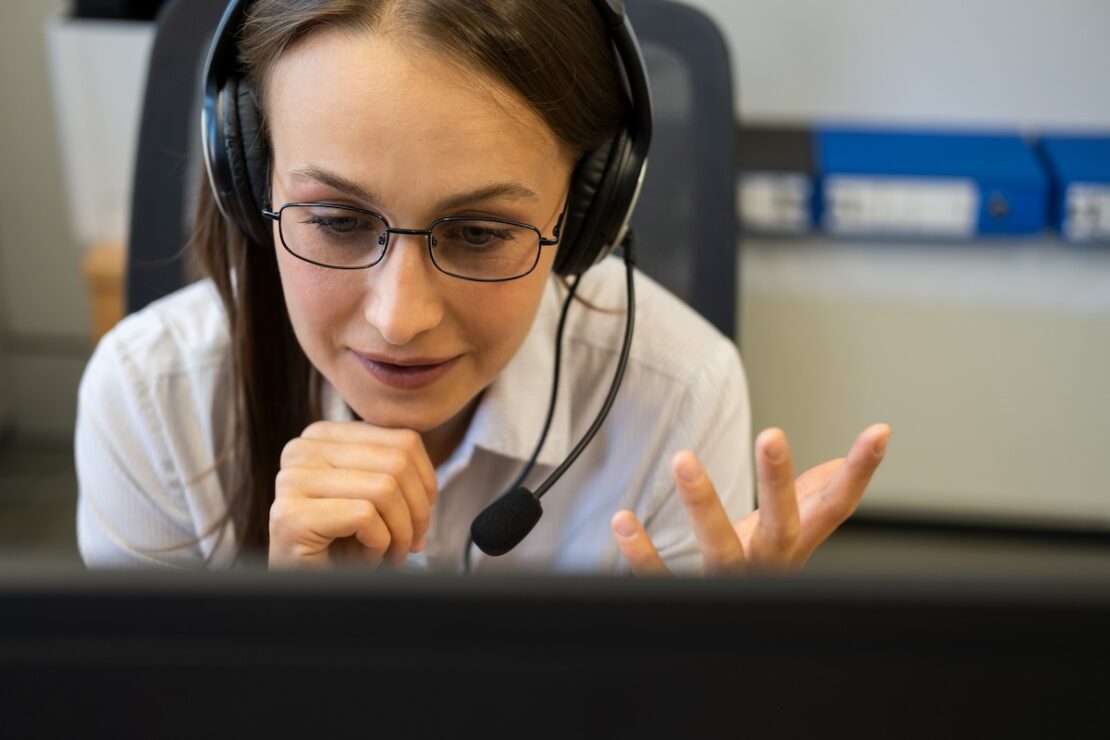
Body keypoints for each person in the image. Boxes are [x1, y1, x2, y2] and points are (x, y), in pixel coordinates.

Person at [75, 0, 889, 573]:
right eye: (336, 219)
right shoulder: (154, 402)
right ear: (251, 176)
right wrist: (299, 628)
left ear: (586, 210)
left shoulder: (676, 397)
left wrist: (720, 686)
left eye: (478, 233)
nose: (399, 319)